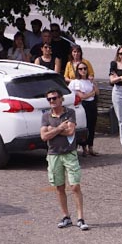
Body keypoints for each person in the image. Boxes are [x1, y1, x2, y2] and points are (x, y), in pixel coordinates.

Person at [40, 89, 86, 230]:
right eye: (49, 99)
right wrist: (60, 128)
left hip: (69, 154)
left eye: (54, 98)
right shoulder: (46, 116)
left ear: (61, 99)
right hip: (53, 155)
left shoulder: (70, 113)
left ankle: (80, 218)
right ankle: (66, 216)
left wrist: (51, 130)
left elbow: (71, 131)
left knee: (75, 186)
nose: (52, 101)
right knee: (59, 187)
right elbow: (43, 137)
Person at [67, 60, 98, 157]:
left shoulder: (89, 81)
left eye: (85, 69)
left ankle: (91, 147)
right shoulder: (76, 82)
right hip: (83, 105)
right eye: (80, 69)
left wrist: (93, 83)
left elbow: (97, 92)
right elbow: (82, 96)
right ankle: (84, 148)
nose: (83, 71)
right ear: (78, 71)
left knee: (92, 125)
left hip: (92, 104)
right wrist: (91, 93)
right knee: (85, 126)